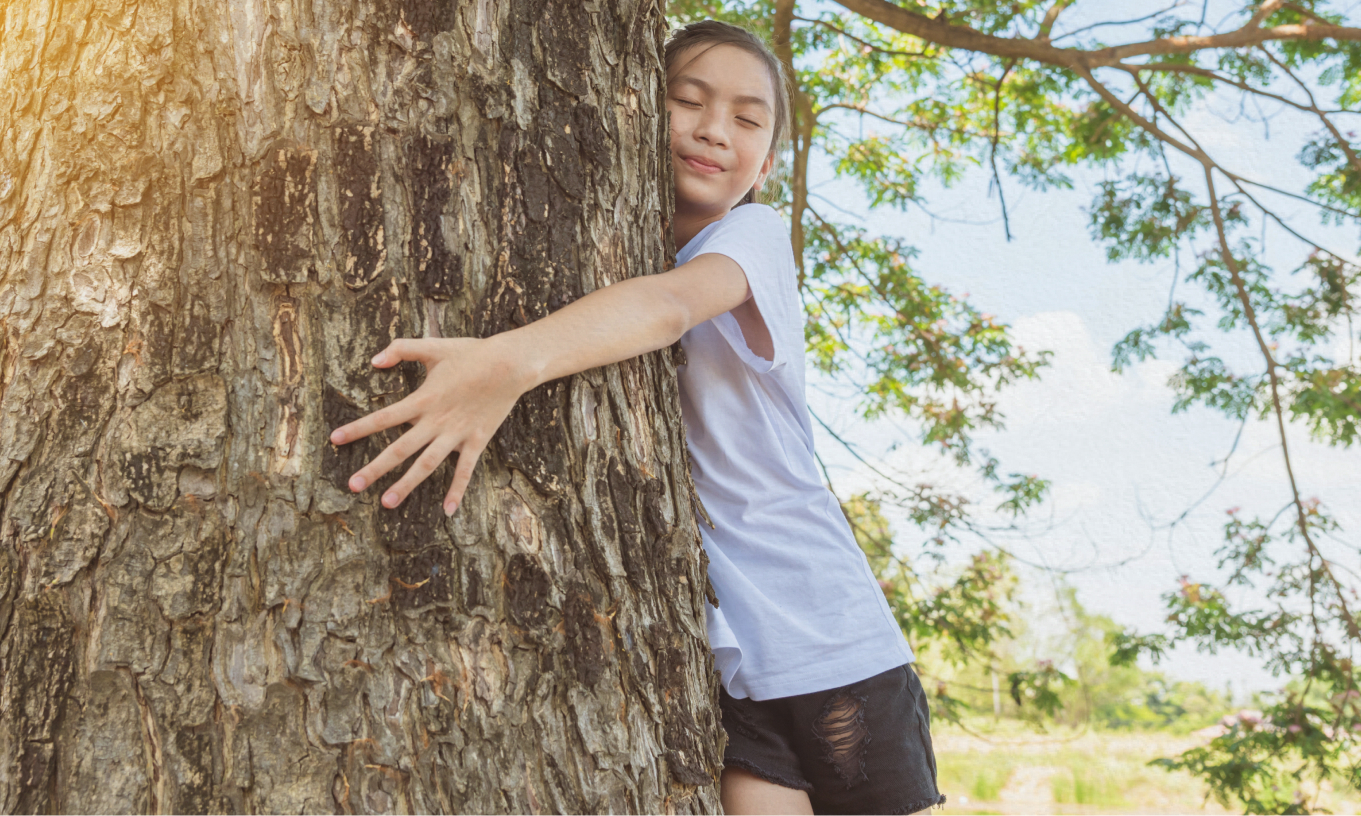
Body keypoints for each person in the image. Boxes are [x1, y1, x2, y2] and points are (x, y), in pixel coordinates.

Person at [328, 20, 944, 816]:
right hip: (727, 657)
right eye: (686, 100)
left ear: (767, 161)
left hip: (828, 632)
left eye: (748, 120)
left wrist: (506, 364)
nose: (714, 129)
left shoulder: (751, 239)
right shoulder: (615, 252)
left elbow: (667, 307)